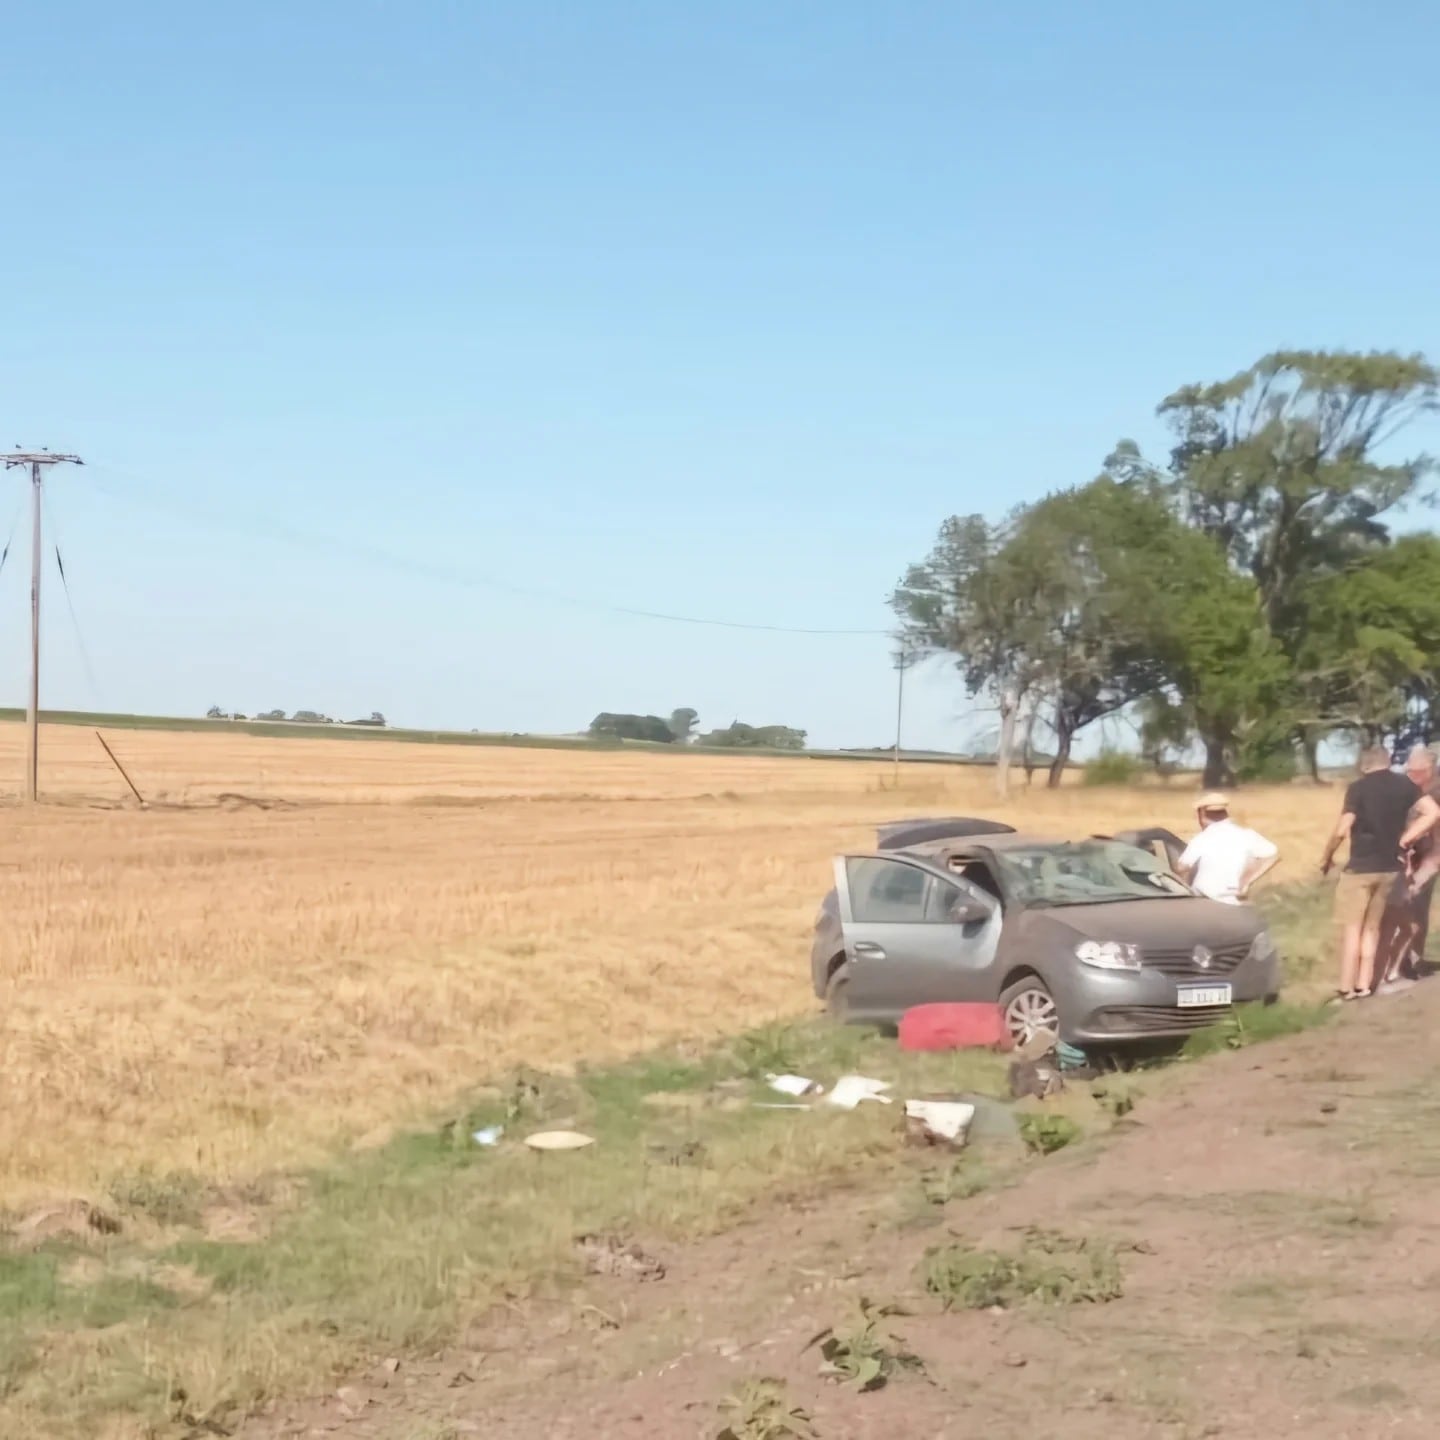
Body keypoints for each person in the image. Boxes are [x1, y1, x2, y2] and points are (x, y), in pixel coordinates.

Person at [1320, 746, 1437, 1000]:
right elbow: (1432, 813)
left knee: (1353, 929)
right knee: (1373, 928)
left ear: (1364, 765)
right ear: (1388, 762)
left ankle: (1346, 988)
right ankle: (1364, 985)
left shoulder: (1358, 788)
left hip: (1360, 868)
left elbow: (1343, 829)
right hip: (1390, 869)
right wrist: (1404, 840)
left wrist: (1327, 857)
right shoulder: (1404, 786)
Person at [1376, 745, 1440, 991]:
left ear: (1429, 769)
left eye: (1416, 771)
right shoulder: (1410, 788)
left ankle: (1407, 962)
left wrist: (1424, 870)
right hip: (1409, 858)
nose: (1411, 775)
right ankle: (1404, 962)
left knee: (1414, 907)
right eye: (1408, 770)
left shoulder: (1436, 791)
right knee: (1409, 908)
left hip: (1430, 857)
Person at [1177, 793, 1281, 905]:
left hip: (1205, 898)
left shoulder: (1203, 837)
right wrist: (1246, 882)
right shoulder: (1247, 834)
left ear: (1202, 814)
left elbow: (1182, 867)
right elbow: (1274, 855)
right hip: (1233, 900)